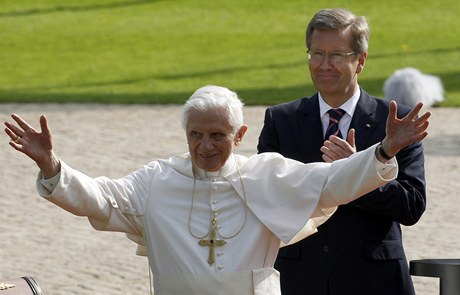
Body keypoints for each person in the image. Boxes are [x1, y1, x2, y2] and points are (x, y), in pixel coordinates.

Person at [4, 85, 429, 295]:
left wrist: (387, 147)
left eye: (217, 136)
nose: (205, 146)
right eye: (196, 135)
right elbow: (99, 198)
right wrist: (52, 166)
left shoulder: (268, 176)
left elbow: (333, 182)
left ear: (240, 134)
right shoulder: (156, 180)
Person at [257, 8, 427, 295]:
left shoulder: (396, 123)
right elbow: (265, 195)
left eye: (336, 55)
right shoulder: (281, 120)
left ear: (360, 61)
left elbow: (411, 205)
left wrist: (360, 171)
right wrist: (350, 173)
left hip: (375, 280)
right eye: (316, 54)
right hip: (300, 278)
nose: (324, 65)